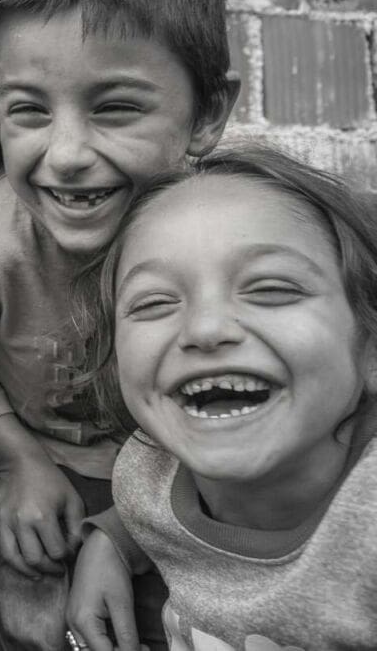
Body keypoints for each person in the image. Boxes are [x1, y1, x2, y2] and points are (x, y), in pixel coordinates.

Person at [0, 0, 240, 649]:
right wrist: (16, 460)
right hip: (40, 464)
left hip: (185, 471)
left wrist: (121, 530)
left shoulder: (238, 247)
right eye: (28, 110)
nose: (65, 155)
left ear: (208, 112)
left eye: (114, 109)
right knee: (38, 616)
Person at [66, 145, 377, 651]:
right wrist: (111, 543)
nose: (205, 329)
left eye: (271, 289)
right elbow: (152, 496)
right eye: (154, 302)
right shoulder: (146, 471)